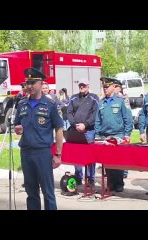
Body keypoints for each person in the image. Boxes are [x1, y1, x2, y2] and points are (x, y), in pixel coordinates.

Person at [14, 67, 64, 210]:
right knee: (31, 192)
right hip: (26, 152)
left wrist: (58, 154)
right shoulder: (22, 104)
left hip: (42, 153)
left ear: (41, 84)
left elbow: (59, 129)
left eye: (32, 83)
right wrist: (17, 129)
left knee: (48, 192)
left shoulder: (50, 105)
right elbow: (17, 125)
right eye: (27, 83)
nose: (29, 86)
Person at [94, 77, 133, 192]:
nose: (105, 89)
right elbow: (97, 120)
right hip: (105, 135)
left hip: (118, 135)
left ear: (113, 87)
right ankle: (110, 183)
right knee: (107, 162)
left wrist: (127, 134)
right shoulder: (101, 102)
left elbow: (128, 119)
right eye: (104, 87)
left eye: (107, 87)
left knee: (117, 161)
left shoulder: (121, 101)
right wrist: (97, 135)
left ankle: (119, 183)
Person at [67, 78, 99, 186]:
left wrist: (85, 124)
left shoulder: (94, 98)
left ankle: (90, 178)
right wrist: (75, 125)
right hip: (75, 130)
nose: (82, 87)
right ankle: (78, 177)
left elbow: (95, 114)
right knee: (77, 155)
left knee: (90, 155)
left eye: (84, 85)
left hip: (89, 130)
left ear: (88, 86)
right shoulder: (73, 98)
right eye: (80, 85)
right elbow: (69, 113)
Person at [113, 79, 131, 178]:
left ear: (119, 88)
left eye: (115, 86)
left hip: (122, 130)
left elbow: (127, 116)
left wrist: (127, 132)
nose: (114, 88)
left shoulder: (123, 98)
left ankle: (124, 172)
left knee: (123, 153)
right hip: (114, 130)